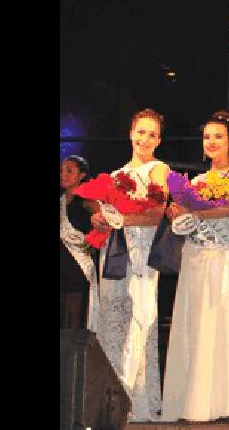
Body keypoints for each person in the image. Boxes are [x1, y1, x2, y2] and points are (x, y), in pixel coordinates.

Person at [161, 111, 229, 422]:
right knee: (191, 326)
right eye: (207, 137)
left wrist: (197, 211)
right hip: (193, 259)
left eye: (218, 137)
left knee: (216, 324)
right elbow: (183, 218)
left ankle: (218, 402)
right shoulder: (195, 181)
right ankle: (187, 400)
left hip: (220, 258)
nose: (211, 142)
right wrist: (176, 212)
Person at [88, 108, 170, 421]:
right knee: (113, 322)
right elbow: (105, 220)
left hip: (142, 254)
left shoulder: (158, 169)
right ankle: (106, 401)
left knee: (141, 321)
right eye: (141, 132)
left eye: (152, 134)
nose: (145, 139)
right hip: (115, 253)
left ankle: (135, 402)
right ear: (130, 133)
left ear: (159, 140)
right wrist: (101, 220)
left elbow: (157, 212)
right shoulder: (115, 175)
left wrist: (123, 218)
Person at [60, 155, 99, 329]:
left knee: (75, 311)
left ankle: (74, 352)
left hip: (77, 263)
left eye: (69, 171)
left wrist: (90, 242)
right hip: (62, 260)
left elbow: (103, 224)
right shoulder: (61, 200)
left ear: (82, 175)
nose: (63, 174)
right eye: (61, 170)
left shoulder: (88, 200)